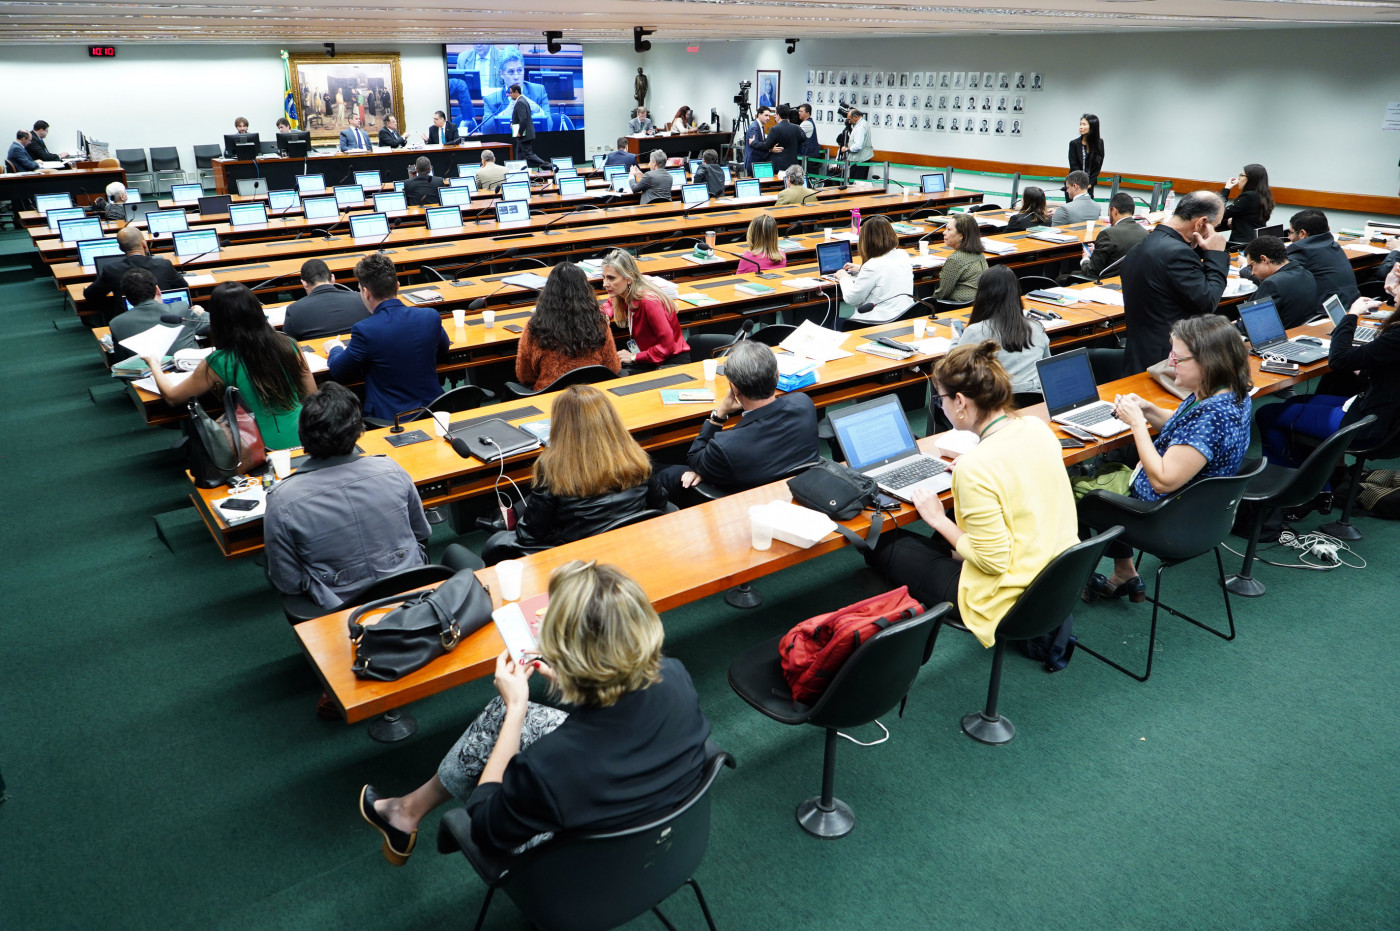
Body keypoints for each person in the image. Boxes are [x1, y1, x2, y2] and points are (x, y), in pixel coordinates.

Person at [358, 559, 711, 865]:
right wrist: (576, 677)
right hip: (666, 842)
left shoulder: (547, 767)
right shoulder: (674, 673)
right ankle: (405, 812)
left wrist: (516, 708)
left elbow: (483, 828)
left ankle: (404, 814)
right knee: (505, 715)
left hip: (585, 869)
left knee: (508, 714)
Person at [864, 342, 1078, 645]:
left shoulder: (976, 468)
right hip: (1056, 578)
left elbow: (992, 563)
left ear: (961, 401)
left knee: (882, 545)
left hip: (1006, 597)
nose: (942, 407)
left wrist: (939, 520)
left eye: (941, 399)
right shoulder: (1035, 427)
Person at [1081, 315, 1252, 602]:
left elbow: (1162, 480)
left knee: (1075, 493)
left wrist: (1137, 424)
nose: (1171, 361)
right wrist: (1147, 410)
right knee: (1102, 477)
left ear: (1208, 362)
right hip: (1201, 511)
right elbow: (1183, 430)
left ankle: (1076, 581)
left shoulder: (1211, 415)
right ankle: (1124, 571)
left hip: (1164, 516)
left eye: (1178, 357)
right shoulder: (1227, 393)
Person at [263, 382, 474, 611]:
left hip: (341, 613)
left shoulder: (281, 500)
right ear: (358, 431)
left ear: (302, 435)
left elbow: (288, 582)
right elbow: (421, 534)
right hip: (413, 596)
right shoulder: (392, 470)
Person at [481, 386, 669, 562]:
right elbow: (660, 502)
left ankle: (507, 516)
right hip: (631, 547)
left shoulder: (554, 469)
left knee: (498, 541)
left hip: (579, 559)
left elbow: (529, 536)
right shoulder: (634, 456)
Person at [142, 282, 315, 451]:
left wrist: (154, 364)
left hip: (258, 447)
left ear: (217, 321)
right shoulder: (289, 344)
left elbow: (173, 397)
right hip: (307, 436)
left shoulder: (218, 361)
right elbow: (311, 394)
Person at [1255, 290, 1400, 475]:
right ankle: (1319, 477)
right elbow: (1388, 372)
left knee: (1267, 413)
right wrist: (1357, 359)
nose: (1394, 290)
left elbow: (1338, 360)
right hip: (1383, 412)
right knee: (1294, 402)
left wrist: (1351, 315)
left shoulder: (1396, 336)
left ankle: (1292, 485)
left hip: (1371, 424)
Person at [656, 341, 820, 502]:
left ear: (734, 388)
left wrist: (719, 415)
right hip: (798, 494)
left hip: (744, 503)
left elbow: (694, 459)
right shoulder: (804, 404)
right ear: (777, 375)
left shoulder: (726, 446)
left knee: (663, 472)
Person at [323, 253, 449, 422]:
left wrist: (335, 348)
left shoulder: (365, 330)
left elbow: (339, 372)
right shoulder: (430, 316)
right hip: (434, 409)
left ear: (366, 293)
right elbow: (443, 349)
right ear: (397, 286)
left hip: (390, 419)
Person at [1118, 191, 1229, 376]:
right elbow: (1208, 302)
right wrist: (1216, 255)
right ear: (1201, 223)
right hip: (1166, 357)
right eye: (1215, 226)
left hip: (1139, 349)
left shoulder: (1145, 243)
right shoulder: (1179, 254)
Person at [514, 263, 621, 391]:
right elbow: (613, 367)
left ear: (548, 292)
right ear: (585, 290)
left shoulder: (535, 327)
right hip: (592, 399)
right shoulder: (599, 323)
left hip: (550, 400)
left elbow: (525, 376)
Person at [955, 266, 1049, 395]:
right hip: (1035, 401)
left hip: (995, 404)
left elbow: (953, 369)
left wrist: (955, 340)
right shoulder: (1037, 328)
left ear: (982, 295)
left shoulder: (975, 332)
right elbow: (1046, 366)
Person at [1247, 209, 1359, 312]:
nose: (1289, 238)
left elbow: (1276, 275)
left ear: (1302, 233)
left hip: (1326, 312)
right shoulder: (1332, 243)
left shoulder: (1301, 250)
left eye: (1290, 232)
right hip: (1352, 304)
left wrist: (1245, 268)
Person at [600, 249, 688, 369]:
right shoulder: (623, 294)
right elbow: (610, 303)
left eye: (611, 278)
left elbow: (667, 346)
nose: (605, 284)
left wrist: (634, 357)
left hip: (670, 362)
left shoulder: (649, 302)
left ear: (629, 278)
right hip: (648, 357)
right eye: (603, 277)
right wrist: (604, 314)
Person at [83, 226, 189, 323]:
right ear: (144, 244)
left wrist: (113, 305)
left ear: (120, 248)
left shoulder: (111, 269)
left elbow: (90, 295)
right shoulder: (164, 264)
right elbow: (183, 287)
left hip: (128, 321)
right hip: (165, 316)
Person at [108, 268, 208, 363]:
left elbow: (121, 362)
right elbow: (211, 324)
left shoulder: (115, 324)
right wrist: (202, 313)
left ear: (127, 298)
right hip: (189, 372)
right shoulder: (180, 308)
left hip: (147, 377)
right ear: (157, 290)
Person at [837, 214, 914, 325]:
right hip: (904, 317)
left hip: (878, 323)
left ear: (866, 241)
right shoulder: (902, 254)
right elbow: (886, 269)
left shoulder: (872, 266)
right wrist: (862, 269)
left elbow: (852, 299)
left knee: (834, 323)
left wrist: (844, 278)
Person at [283, 258, 370, 340]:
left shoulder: (294, 310)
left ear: (304, 283)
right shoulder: (362, 299)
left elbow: (289, 343)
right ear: (332, 278)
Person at [1243, 235, 1319, 328]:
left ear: (1264, 259)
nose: (1252, 273)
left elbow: (1253, 324)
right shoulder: (1306, 273)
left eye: (1251, 266)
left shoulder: (1271, 284)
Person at [479, 47, 552, 133]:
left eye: (519, 70)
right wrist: (505, 114)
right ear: (501, 74)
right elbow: (486, 131)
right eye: (511, 72)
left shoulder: (538, 91)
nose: (516, 77)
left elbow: (549, 126)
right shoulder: (491, 100)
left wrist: (537, 109)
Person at [1079, 192, 1148, 279]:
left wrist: (1085, 259)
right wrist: (1097, 250)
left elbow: (1091, 271)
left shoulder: (1107, 234)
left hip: (1105, 283)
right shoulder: (1145, 233)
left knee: (1062, 278)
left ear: (1114, 211)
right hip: (1130, 281)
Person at [934, 213, 989, 304]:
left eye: (949, 229)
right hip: (979, 303)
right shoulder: (979, 253)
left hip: (957, 306)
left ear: (962, 235)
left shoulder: (955, 259)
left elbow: (942, 293)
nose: (944, 232)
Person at [1219, 163, 1273, 242]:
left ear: (1251, 179)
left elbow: (1220, 213)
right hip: (1255, 241)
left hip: (1242, 243)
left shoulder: (1248, 196)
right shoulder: (1263, 195)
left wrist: (1226, 189)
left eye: (1241, 175)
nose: (1238, 178)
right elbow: (1249, 215)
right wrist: (1235, 219)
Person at [508, 83, 553, 170]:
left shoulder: (520, 102)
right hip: (523, 135)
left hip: (523, 135)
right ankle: (519, 172)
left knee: (528, 155)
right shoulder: (522, 100)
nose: (510, 95)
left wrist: (519, 132)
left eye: (511, 93)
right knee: (520, 154)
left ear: (516, 92)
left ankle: (549, 167)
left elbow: (523, 119)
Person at [748, 104, 804, 171]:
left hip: (779, 165)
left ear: (778, 115)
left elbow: (766, 146)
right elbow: (803, 138)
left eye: (775, 114)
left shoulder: (774, 129)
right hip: (793, 165)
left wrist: (753, 143)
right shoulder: (796, 128)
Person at [1068, 114, 1104, 195]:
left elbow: (1098, 166)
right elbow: (1074, 166)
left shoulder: (1099, 143)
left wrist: (1089, 183)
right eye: (1080, 124)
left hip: (1089, 185)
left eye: (1084, 124)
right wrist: (1081, 184)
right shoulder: (1074, 143)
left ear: (1092, 127)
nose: (1080, 127)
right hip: (1074, 184)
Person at [839, 107, 873, 180]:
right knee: (859, 183)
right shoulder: (864, 123)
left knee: (855, 184)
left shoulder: (860, 127)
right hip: (862, 158)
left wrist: (847, 149)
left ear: (855, 117)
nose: (849, 122)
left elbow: (858, 145)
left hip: (859, 160)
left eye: (849, 119)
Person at [743, 106, 774, 175]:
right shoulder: (754, 127)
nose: (768, 118)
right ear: (759, 115)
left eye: (769, 116)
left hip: (758, 162)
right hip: (754, 163)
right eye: (766, 115)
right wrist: (769, 149)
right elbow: (755, 144)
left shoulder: (760, 126)